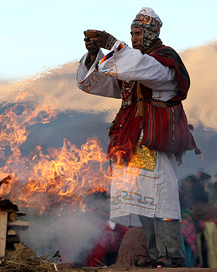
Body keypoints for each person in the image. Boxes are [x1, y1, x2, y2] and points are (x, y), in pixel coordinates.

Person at [75, 7, 200, 268]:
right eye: (131, 33)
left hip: (155, 141)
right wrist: (93, 54)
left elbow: (143, 69)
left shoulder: (164, 61)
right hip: (131, 142)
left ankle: (172, 254)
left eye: (137, 33)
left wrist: (111, 44)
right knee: (140, 196)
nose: (133, 38)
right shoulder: (136, 66)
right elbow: (102, 82)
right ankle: (155, 254)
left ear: (151, 33)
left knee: (162, 196)